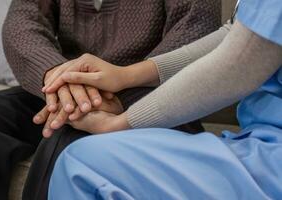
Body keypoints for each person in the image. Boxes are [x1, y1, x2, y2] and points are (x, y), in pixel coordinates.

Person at [0, 0, 221, 199]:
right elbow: (22, 25)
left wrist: (123, 96)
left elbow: (195, 36)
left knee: (69, 136)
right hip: (65, 89)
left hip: (154, 100)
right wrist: (54, 78)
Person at [46, 0, 282, 199]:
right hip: (260, 139)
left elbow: (239, 64)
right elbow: (237, 35)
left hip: (273, 159)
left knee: (82, 163)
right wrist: (125, 75)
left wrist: (120, 123)